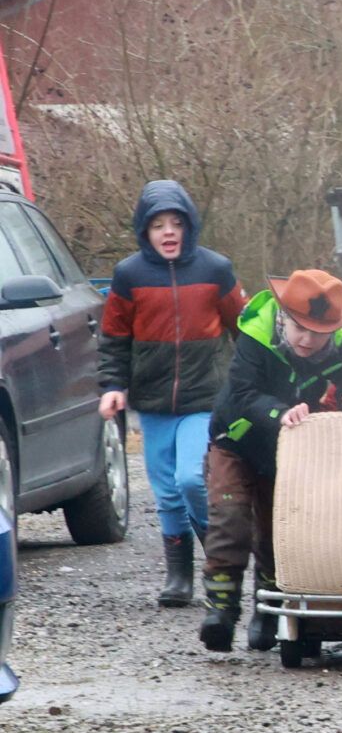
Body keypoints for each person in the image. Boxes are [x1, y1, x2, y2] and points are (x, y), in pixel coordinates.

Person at [199, 269, 342, 653]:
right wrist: (279, 413)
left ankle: (269, 610)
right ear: (282, 317)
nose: (307, 340)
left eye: (318, 334)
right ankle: (221, 608)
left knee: (277, 530)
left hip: (287, 450)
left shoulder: (337, 346)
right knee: (230, 519)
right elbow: (243, 393)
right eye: (299, 329)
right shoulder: (255, 336)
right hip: (235, 440)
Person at [98, 179, 246, 608]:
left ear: (189, 226)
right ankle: (179, 575)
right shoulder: (129, 276)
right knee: (165, 492)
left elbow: (244, 329)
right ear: (144, 230)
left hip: (205, 397)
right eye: (158, 224)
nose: (168, 232)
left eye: (176, 223)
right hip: (154, 401)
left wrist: (251, 382)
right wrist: (112, 386)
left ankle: (216, 556)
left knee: (191, 479)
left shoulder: (215, 270)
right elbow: (114, 338)